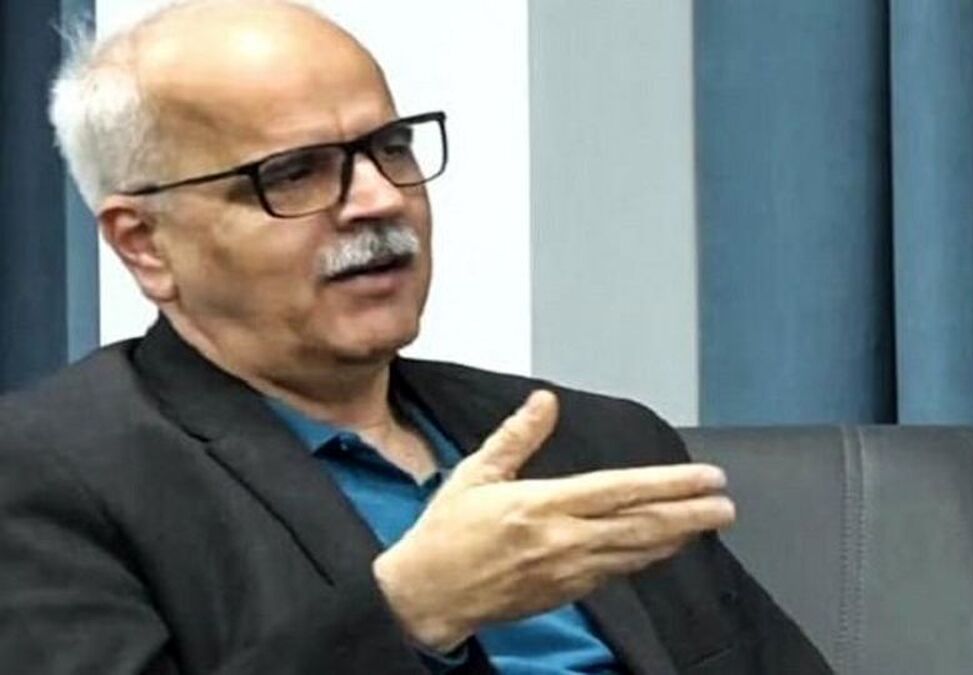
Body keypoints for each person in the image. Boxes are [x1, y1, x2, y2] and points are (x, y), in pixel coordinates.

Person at [0, 1, 832, 673]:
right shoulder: (50, 477)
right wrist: (410, 613)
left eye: (389, 148)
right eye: (295, 173)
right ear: (145, 243)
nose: (379, 199)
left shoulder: (594, 439)